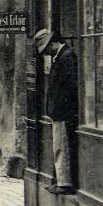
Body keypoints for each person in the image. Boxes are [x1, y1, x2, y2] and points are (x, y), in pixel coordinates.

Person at [34, 29, 78, 194]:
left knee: (62, 147)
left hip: (63, 112)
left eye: (46, 49)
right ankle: (61, 180)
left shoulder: (66, 56)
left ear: (52, 43)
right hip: (58, 112)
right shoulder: (60, 56)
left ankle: (65, 183)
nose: (46, 53)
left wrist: (63, 108)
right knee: (59, 146)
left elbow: (71, 86)